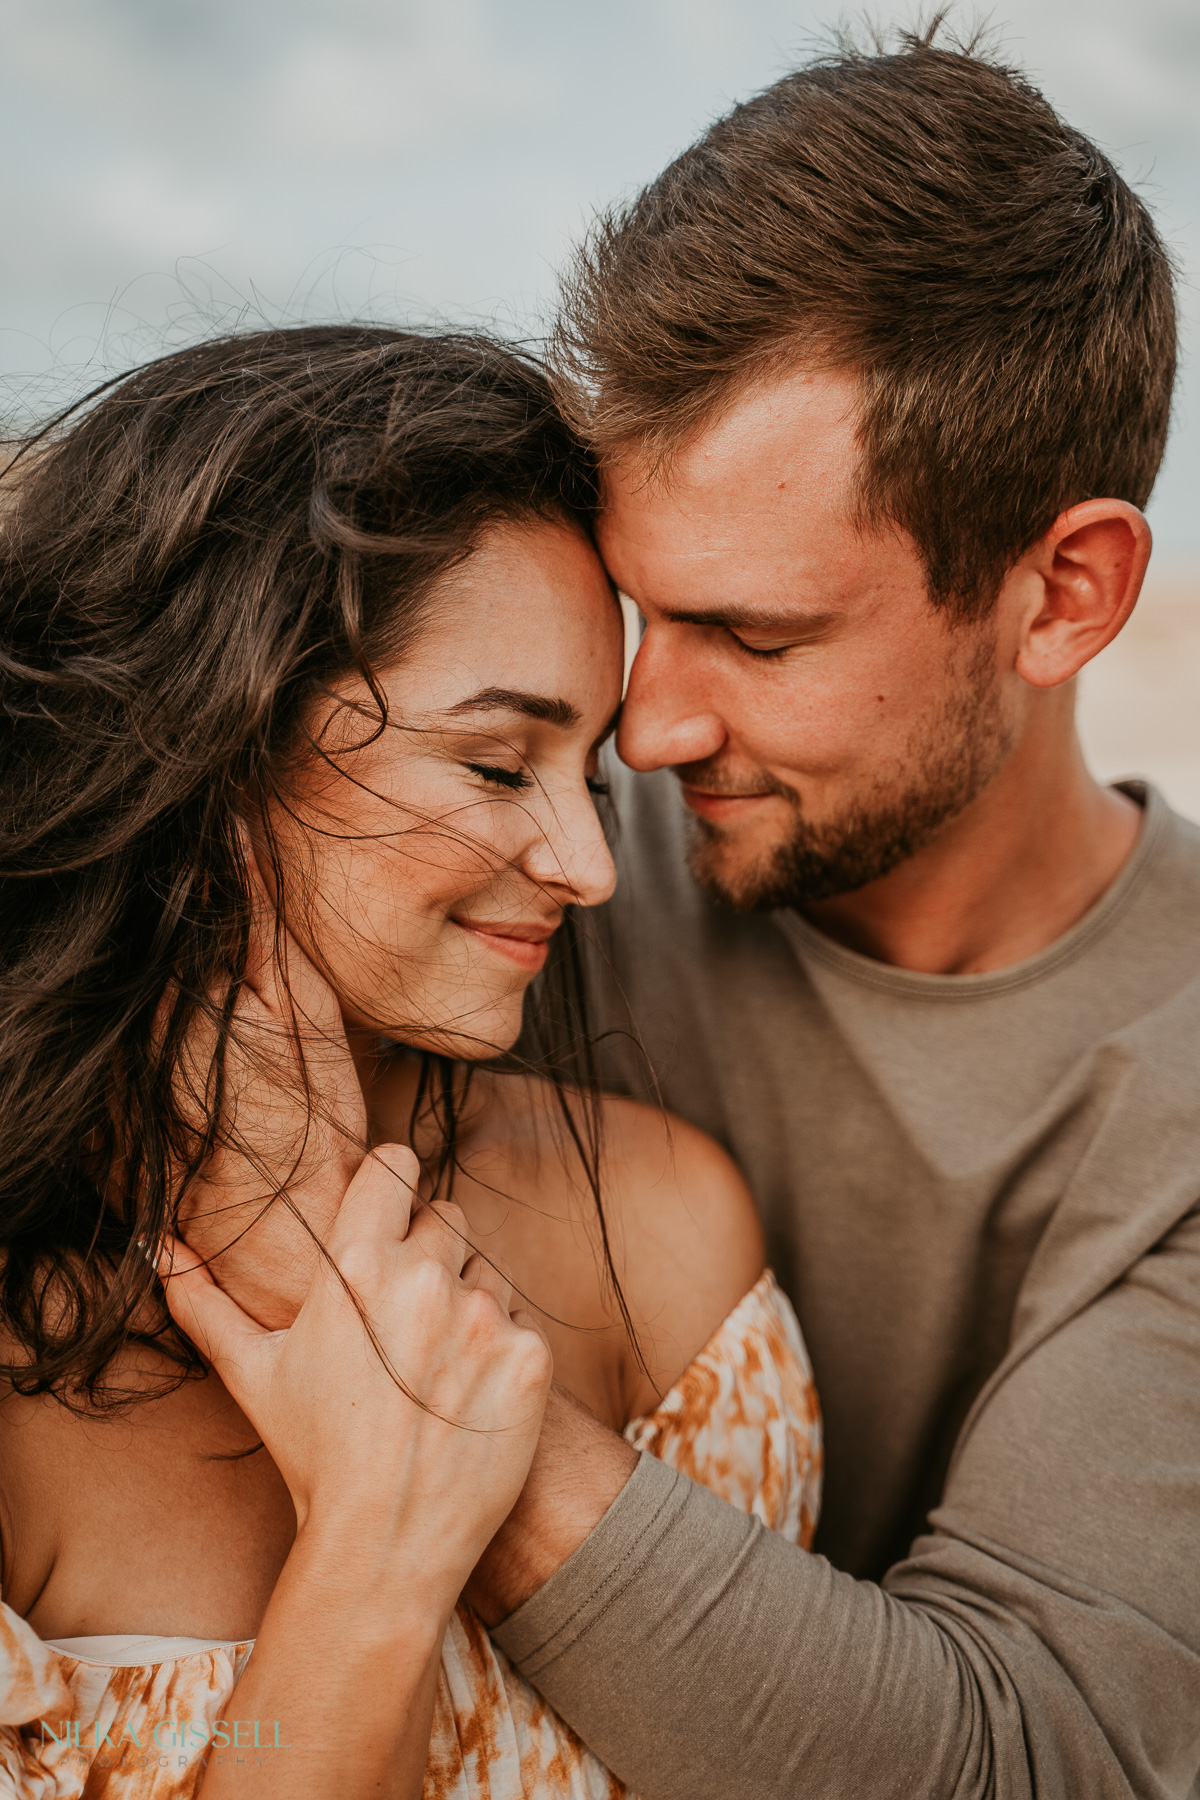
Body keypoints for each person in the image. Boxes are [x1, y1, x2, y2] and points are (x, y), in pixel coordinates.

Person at [460, 28, 1200, 1800]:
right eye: (646, 611)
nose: (647, 731)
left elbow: (1026, 1754)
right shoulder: (535, 855)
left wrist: (437, 1414)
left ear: (1063, 595)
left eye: (762, 638)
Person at [0, 326, 821, 1796]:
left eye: (593, 781)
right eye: (501, 767)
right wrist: (385, 1538)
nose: (588, 867)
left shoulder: (664, 1237)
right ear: (209, 738)